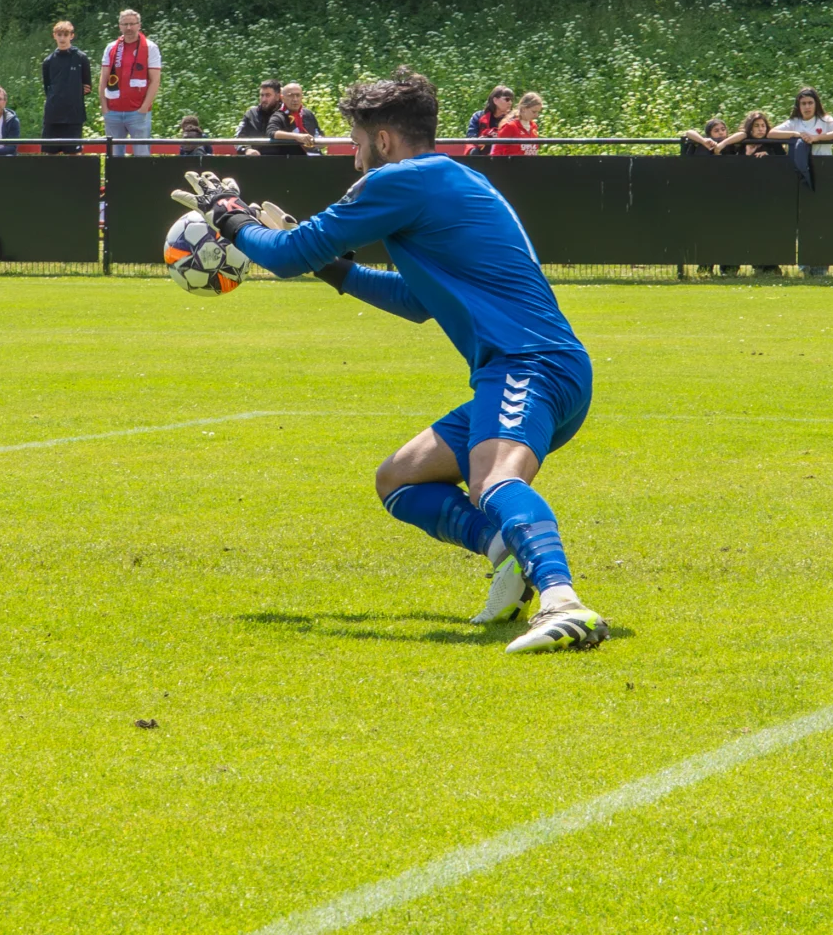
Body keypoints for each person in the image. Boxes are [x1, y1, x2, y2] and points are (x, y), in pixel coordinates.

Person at [176, 69, 607, 653]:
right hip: (538, 365)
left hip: (526, 364)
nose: (355, 161)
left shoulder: (399, 180)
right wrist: (338, 271)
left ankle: (563, 602)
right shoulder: (454, 177)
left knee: (494, 480)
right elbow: (418, 301)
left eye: (357, 144)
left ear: (383, 140)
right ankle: (506, 553)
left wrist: (230, 218)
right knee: (399, 479)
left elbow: (287, 254)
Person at [100, 9, 160, 156]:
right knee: (114, 157)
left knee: (141, 156)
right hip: (113, 111)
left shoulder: (150, 48)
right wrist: (104, 108)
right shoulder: (111, 48)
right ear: (119, 26)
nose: (129, 28)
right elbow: (103, 79)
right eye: (125, 24)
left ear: (139, 25)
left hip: (138, 112)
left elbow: (155, 80)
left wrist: (144, 108)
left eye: (132, 24)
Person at [40, 19, 93, 154]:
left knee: (74, 153)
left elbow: (87, 87)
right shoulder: (48, 61)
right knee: (50, 153)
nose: (62, 38)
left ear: (72, 36)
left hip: (74, 115)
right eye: (59, 35)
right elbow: (47, 88)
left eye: (65, 34)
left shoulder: (81, 58)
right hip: (53, 114)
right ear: (54, 36)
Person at [773, 86, 833, 155]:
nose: (807, 107)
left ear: (816, 104)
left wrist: (816, 138)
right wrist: (796, 134)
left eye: (810, 103)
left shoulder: (825, 120)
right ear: (799, 106)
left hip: (823, 163)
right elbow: (772, 133)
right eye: (803, 103)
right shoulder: (794, 122)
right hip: (800, 165)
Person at [266, 82, 323, 154]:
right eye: (291, 96)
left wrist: (321, 141)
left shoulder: (308, 114)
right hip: (294, 158)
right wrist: (297, 137)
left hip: (316, 156)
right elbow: (272, 133)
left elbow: (319, 133)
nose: (295, 99)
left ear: (302, 97)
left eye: (298, 95)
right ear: (282, 98)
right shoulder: (278, 116)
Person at [234, 80, 284, 156]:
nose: (264, 99)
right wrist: (247, 149)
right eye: (262, 95)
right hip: (255, 159)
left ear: (277, 96)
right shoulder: (251, 114)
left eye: (268, 95)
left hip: (281, 159)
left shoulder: (286, 114)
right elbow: (239, 137)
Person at [467, 86, 515, 154]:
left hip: (505, 154)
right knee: (474, 151)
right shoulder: (478, 116)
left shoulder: (514, 119)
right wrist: (480, 141)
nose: (510, 103)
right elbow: (471, 137)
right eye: (507, 99)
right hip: (482, 154)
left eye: (511, 100)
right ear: (495, 100)